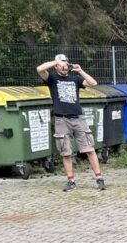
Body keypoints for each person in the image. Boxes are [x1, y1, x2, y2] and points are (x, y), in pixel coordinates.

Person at [36, 54, 106, 191]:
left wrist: (80, 71)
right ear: (56, 65)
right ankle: (71, 180)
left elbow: (93, 83)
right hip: (61, 119)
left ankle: (99, 178)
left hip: (78, 118)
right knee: (66, 151)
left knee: (89, 149)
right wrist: (56, 61)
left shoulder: (75, 79)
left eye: (66, 62)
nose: (64, 66)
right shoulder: (52, 78)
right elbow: (39, 69)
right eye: (61, 63)